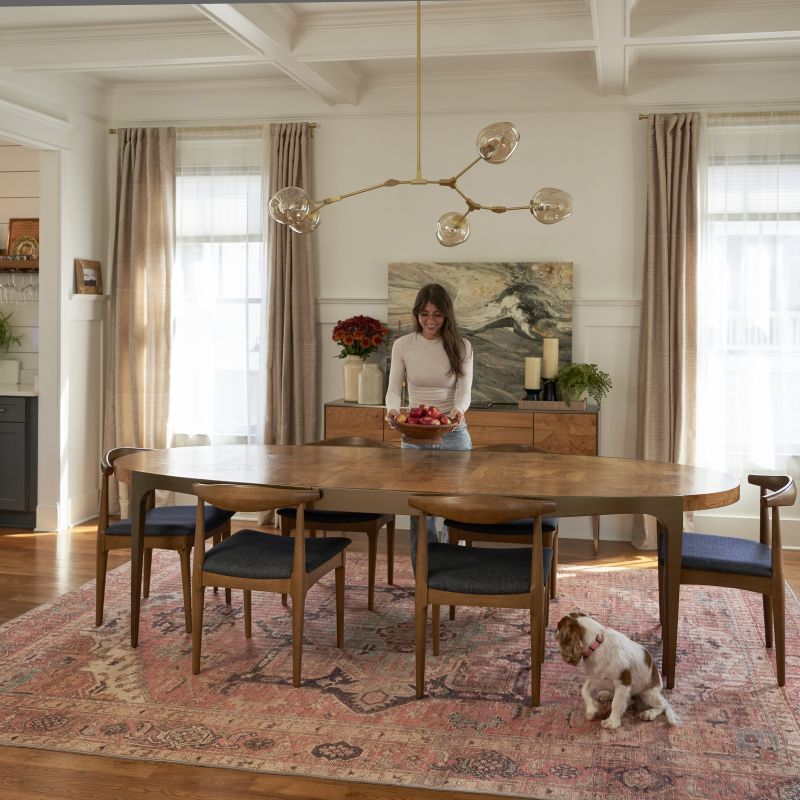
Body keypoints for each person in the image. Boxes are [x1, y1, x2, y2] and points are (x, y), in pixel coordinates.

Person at [385, 283, 473, 565]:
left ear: (447, 315)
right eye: (424, 314)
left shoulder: (462, 346)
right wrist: (392, 410)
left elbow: (464, 391)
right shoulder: (403, 345)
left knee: (455, 509)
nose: (430, 320)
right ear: (417, 314)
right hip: (415, 434)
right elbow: (393, 390)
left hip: (453, 434)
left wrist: (458, 411)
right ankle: (422, 576)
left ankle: (451, 571)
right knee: (420, 513)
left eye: (437, 314)